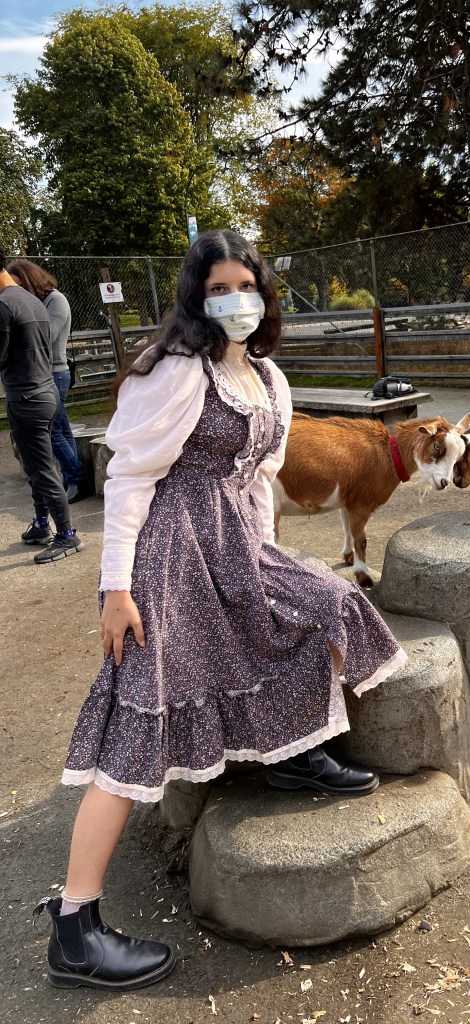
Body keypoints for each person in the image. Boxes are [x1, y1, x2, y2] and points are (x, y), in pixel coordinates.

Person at [34, 229, 407, 991]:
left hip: (237, 544)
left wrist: (264, 562)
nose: (235, 300)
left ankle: (293, 755)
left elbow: (261, 476)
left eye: (246, 286)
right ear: (196, 298)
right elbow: (129, 480)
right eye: (217, 289)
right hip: (169, 557)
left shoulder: (265, 374)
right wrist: (117, 590)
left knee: (326, 602)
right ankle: (74, 928)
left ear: (265, 293)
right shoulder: (175, 370)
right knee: (138, 725)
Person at [0, 247, 84, 563]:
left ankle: (67, 535)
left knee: (43, 469)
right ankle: (40, 525)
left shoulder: (5, 304)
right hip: (43, 391)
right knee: (37, 465)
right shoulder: (31, 299)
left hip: (27, 397)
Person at [7, 259, 88, 503]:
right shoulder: (39, 302)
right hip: (44, 373)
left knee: (52, 433)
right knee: (62, 429)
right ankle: (73, 478)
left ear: (29, 279)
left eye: (19, 285)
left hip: (54, 372)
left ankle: (77, 478)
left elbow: (45, 337)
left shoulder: (56, 300)